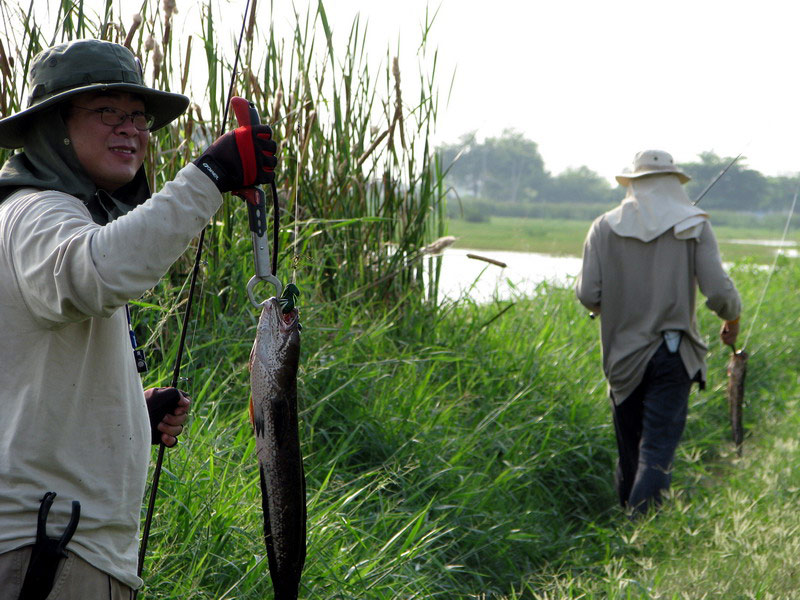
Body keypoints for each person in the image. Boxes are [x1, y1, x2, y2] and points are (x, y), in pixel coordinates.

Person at [0, 39, 277, 598]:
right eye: (107, 111)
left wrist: (126, 417)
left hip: (61, 548)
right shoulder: (36, 211)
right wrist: (210, 175)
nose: (130, 129)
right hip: (49, 552)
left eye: (138, 116)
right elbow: (96, 274)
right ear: (54, 124)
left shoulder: (62, 215)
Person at [575, 149, 741, 517]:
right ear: (674, 183)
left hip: (621, 357)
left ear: (632, 184)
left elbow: (588, 294)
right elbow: (719, 292)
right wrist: (733, 319)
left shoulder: (603, 226)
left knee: (630, 449)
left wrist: (613, 311)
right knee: (657, 451)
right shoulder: (694, 224)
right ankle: (642, 533)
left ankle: (628, 529)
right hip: (673, 353)